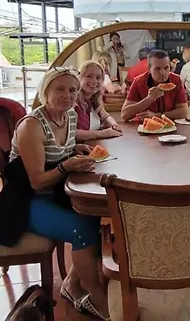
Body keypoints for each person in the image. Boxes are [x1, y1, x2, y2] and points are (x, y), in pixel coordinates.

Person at [0, 67, 110, 320]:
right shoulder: (32, 125)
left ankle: (71, 283)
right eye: (59, 89)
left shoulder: (69, 115)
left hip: (55, 191)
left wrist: (76, 148)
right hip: (25, 200)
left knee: (94, 215)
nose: (67, 95)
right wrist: (65, 166)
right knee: (81, 230)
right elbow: (37, 182)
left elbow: (62, 148)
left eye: (72, 90)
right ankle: (96, 297)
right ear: (45, 91)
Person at [121, 49, 188, 121]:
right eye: (157, 69)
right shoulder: (138, 81)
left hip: (170, 126)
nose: (162, 73)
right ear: (149, 69)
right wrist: (149, 99)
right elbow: (124, 115)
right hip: (143, 125)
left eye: (166, 68)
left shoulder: (176, 80)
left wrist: (157, 115)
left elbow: (183, 112)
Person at [75, 60, 123, 141]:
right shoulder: (72, 102)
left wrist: (114, 125)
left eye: (98, 78)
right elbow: (70, 133)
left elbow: (106, 117)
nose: (94, 81)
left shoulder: (95, 100)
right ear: (80, 77)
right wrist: (101, 134)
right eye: (89, 76)